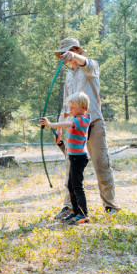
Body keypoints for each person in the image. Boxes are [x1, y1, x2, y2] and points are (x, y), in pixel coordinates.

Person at [51, 38, 119, 219]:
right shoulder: (68, 76)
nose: (65, 57)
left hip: (93, 123)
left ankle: (110, 205)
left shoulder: (91, 66)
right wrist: (58, 129)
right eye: (64, 54)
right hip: (73, 128)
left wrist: (74, 56)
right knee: (70, 167)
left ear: (77, 51)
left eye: (69, 53)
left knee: (101, 163)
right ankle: (70, 207)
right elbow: (66, 105)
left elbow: (86, 63)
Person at [40, 92, 91, 225]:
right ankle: (75, 212)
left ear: (83, 108)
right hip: (74, 157)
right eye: (70, 107)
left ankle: (83, 214)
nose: (70, 110)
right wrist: (68, 115)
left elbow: (67, 124)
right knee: (71, 185)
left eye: (73, 107)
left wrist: (50, 125)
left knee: (77, 186)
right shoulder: (76, 117)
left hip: (79, 158)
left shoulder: (83, 120)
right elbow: (69, 119)